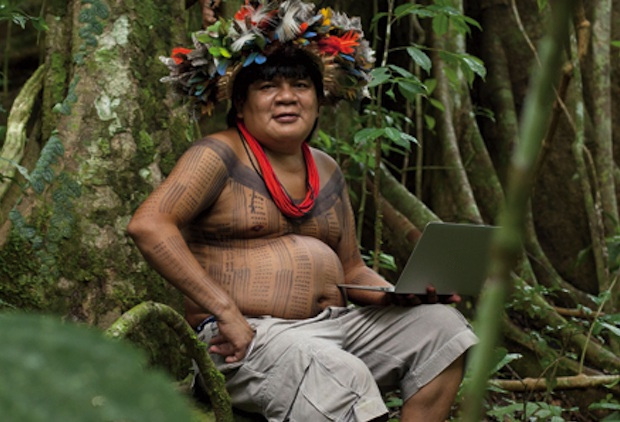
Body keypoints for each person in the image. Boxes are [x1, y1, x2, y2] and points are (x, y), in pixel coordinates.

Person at [127, 1, 478, 421]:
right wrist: (225, 311)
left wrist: (398, 294)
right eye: (267, 87)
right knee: (339, 372)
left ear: (318, 99)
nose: (287, 97)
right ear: (240, 104)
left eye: (300, 85)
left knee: (443, 329)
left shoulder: (326, 170)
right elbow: (149, 225)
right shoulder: (217, 155)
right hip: (244, 338)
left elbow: (352, 269)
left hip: (334, 327)